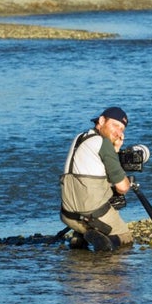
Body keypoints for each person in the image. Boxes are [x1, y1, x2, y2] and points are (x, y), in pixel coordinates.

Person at [59, 106, 135, 251]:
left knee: (89, 222)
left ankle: (79, 238)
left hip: (67, 214)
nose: (118, 132)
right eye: (115, 125)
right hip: (92, 212)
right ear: (101, 120)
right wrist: (128, 182)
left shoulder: (80, 138)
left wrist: (116, 150)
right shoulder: (103, 143)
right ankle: (106, 243)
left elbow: (94, 167)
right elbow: (122, 187)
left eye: (122, 129)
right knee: (126, 238)